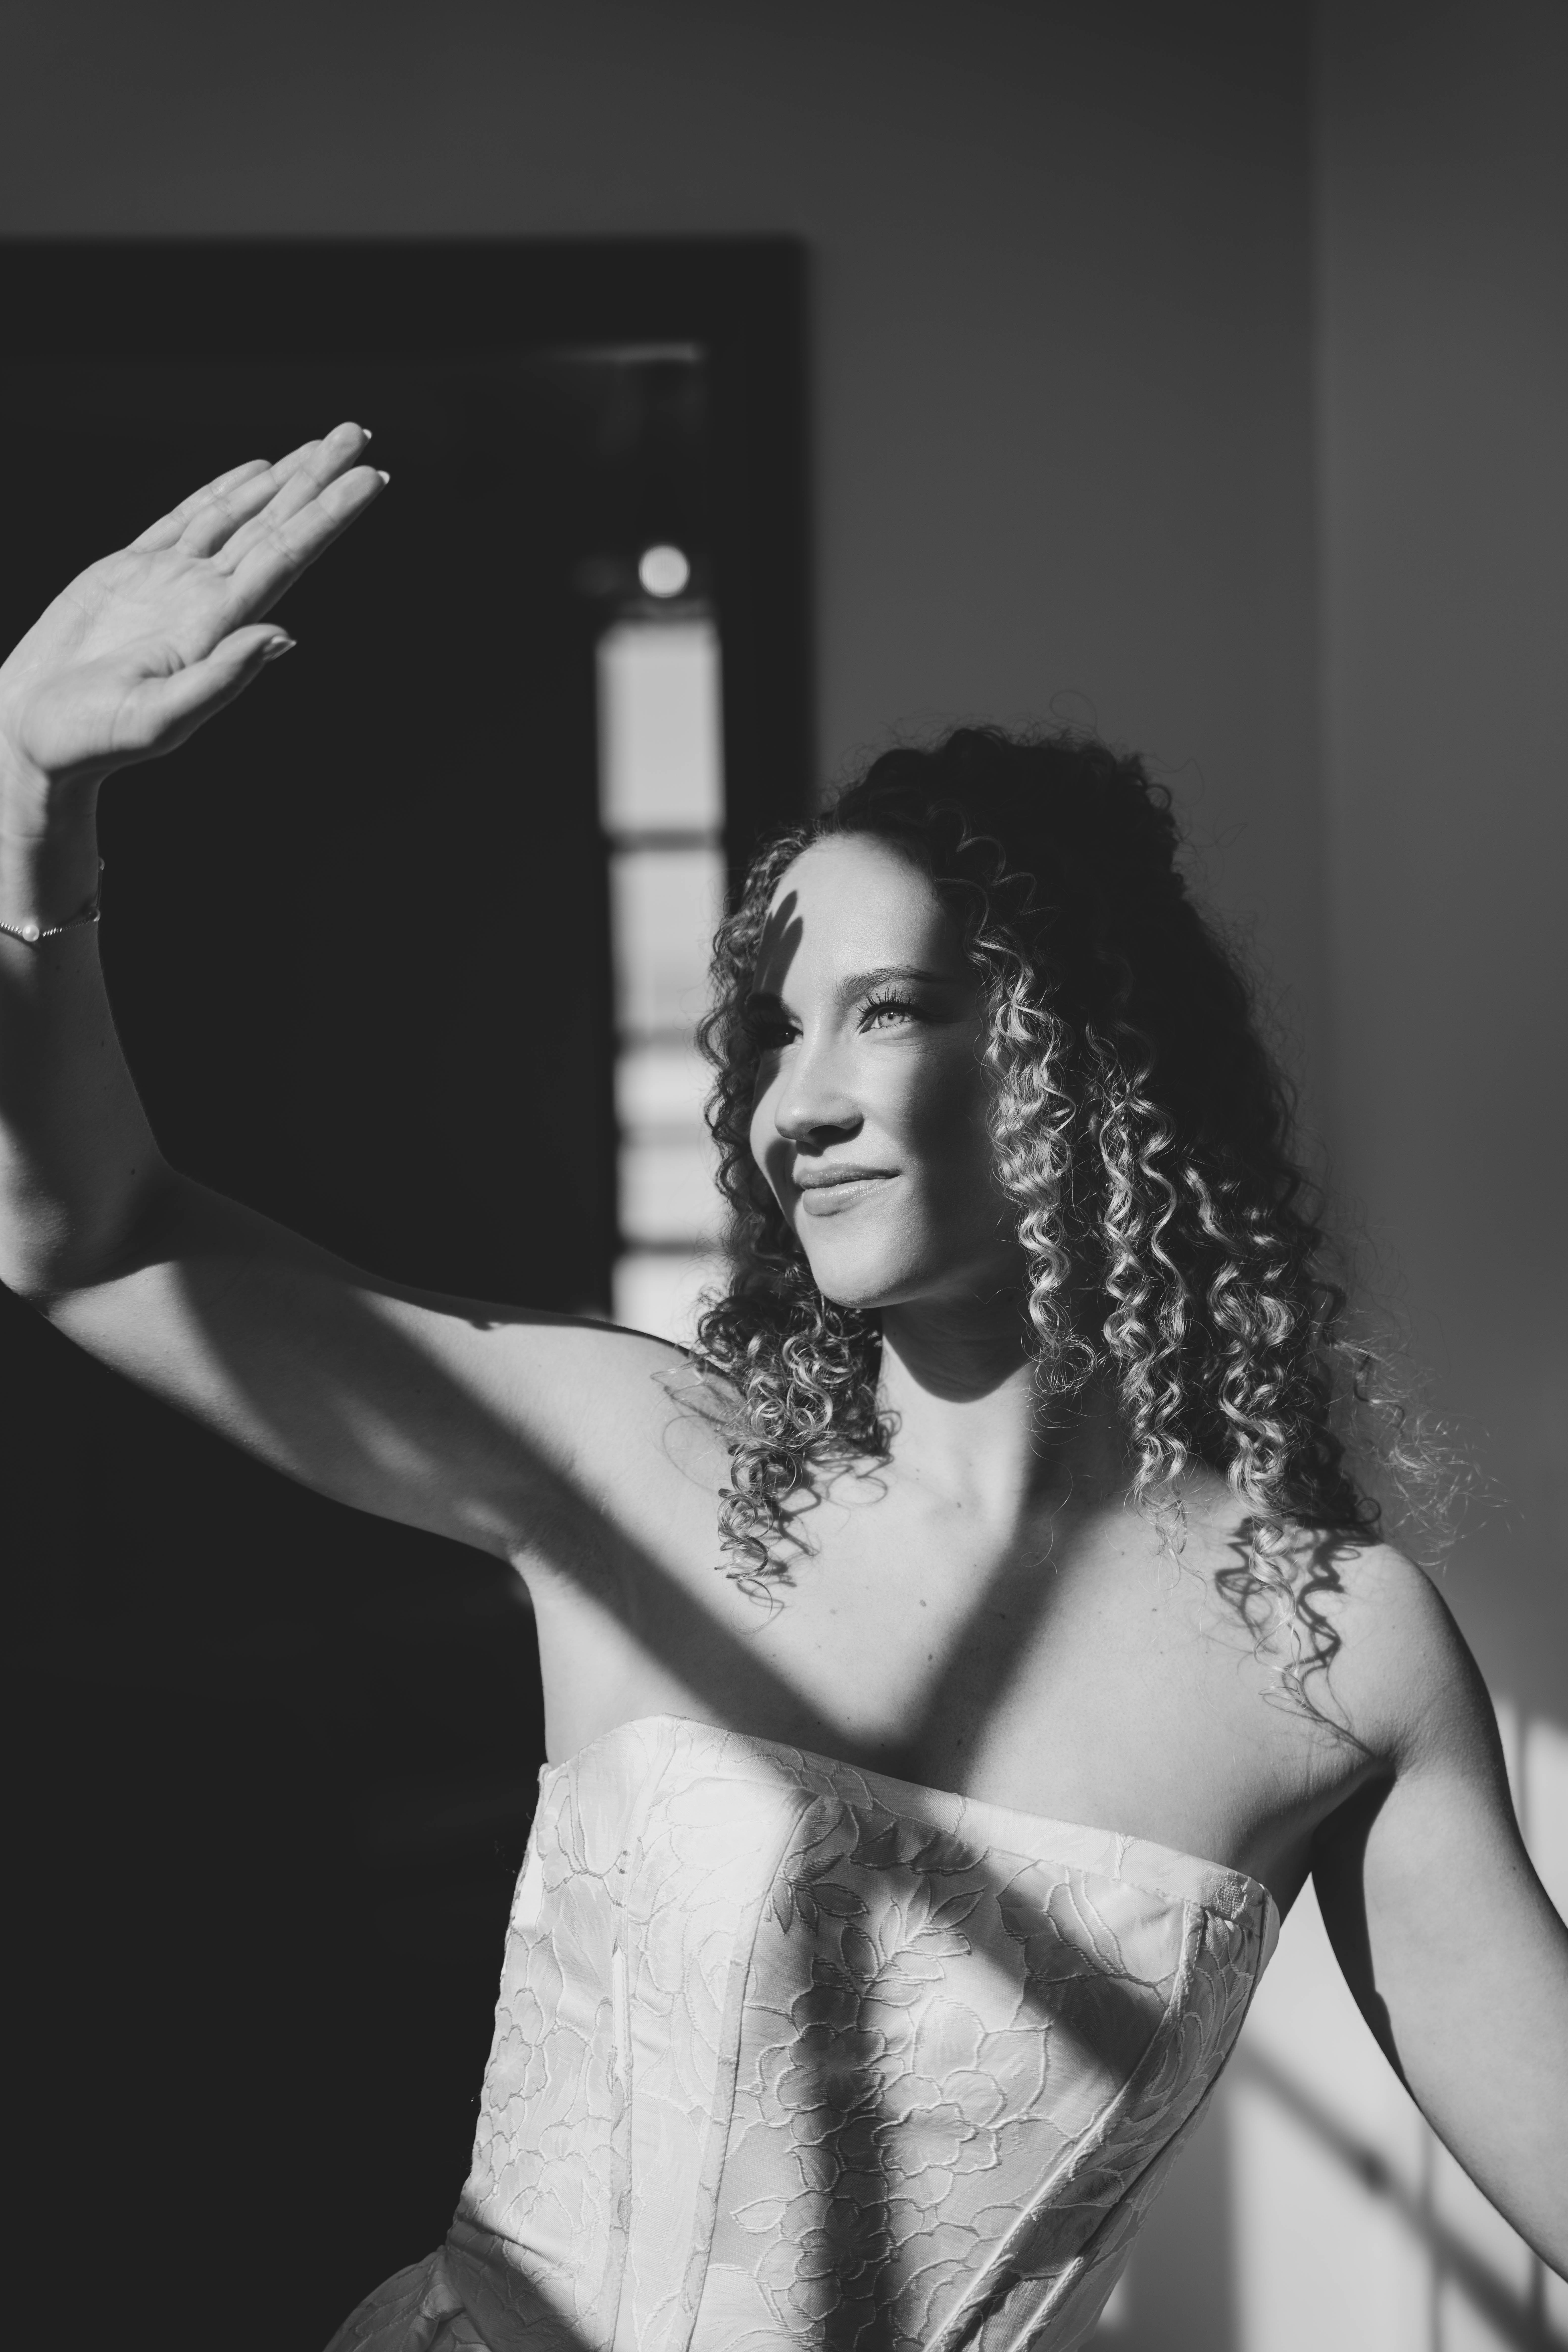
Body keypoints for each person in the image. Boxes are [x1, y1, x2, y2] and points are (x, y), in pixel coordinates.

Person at [0, 423, 1563, 2352]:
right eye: (768, 1033)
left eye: (888, 1011)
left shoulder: (1332, 1650)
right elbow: (91, 1242)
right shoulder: (636, 1457)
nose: (792, 1102)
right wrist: (29, 801)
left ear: (1084, 1066)